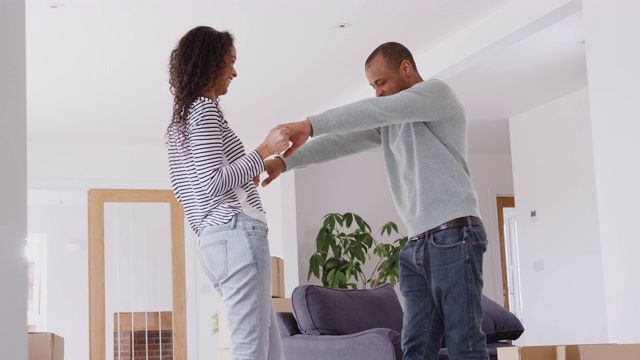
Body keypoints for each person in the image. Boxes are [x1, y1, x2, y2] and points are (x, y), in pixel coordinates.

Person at [262, 42, 489, 360]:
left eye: (381, 83)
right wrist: (285, 163)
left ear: (405, 69)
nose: (377, 93)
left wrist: (311, 124)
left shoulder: (437, 94)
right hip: (416, 246)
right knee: (416, 347)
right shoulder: (392, 122)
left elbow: (375, 111)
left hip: (453, 234)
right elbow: (342, 142)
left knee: (463, 342)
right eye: (373, 87)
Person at [166, 26, 288, 360]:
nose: (235, 71)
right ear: (210, 63)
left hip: (215, 240)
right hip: (237, 236)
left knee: (271, 352)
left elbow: (186, 189)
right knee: (251, 350)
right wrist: (263, 151)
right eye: (230, 62)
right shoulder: (203, 110)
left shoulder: (180, 123)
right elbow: (212, 183)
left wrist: (250, 171)